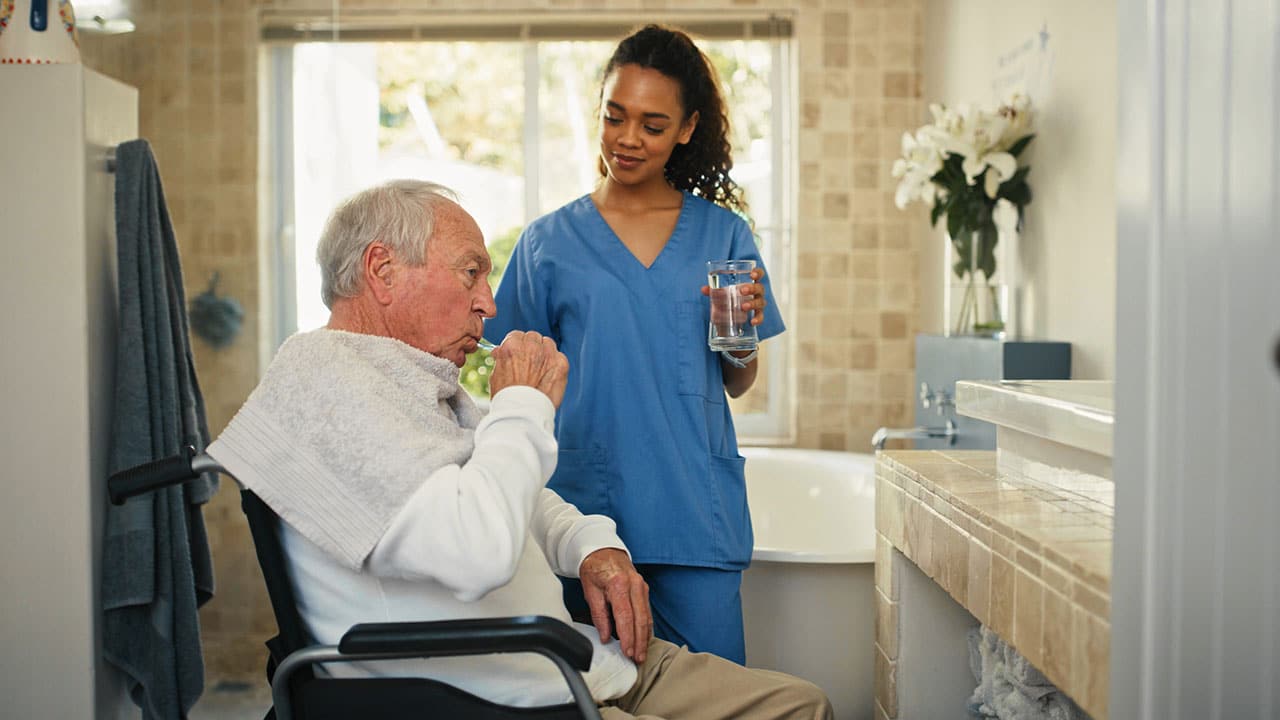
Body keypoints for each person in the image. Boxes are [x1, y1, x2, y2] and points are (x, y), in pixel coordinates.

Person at [206, 180, 830, 719]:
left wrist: (593, 545)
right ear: (382, 271)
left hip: (572, 659)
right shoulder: (329, 389)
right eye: (470, 271)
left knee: (806, 706)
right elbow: (477, 550)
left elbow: (517, 498)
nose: (490, 302)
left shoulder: (404, 382)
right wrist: (525, 404)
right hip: (510, 696)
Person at [484, 24, 785, 664]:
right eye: (615, 116)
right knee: (589, 699)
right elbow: (512, 380)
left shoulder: (724, 236)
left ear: (685, 128)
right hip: (584, 517)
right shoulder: (547, 242)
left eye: (652, 125)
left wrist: (742, 340)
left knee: (716, 699)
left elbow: (736, 381)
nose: (627, 139)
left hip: (692, 510)